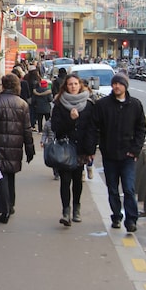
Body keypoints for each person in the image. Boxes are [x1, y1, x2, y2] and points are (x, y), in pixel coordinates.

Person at [88, 72, 146, 233]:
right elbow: (95, 128)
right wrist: (93, 149)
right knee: (112, 188)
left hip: (128, 155)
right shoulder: (103, 105)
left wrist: (135, 150)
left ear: (125, 86)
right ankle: (116, 215)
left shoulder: (135, 105)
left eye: (120, 84)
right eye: (114, 84)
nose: (116, 86)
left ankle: (131, 219)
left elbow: (141, 128)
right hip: (110, 154)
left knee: (128, 188)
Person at [0, 73, 35, 224]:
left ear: (3, 85)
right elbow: (27, 129)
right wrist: (30, 149)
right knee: (10, 176)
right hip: (15, 147)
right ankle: (11, 204)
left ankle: (5, 210)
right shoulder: (23, 104)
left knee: (0, 177)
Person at [50, 74, 95, 226]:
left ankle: (76, 208)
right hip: (65, 148)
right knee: (65, 180)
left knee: (77, 180)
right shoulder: (60, 104)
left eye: (76, 84)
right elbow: (56, 127)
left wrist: (90, 149)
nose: (73, 86)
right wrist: (70, 120)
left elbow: (92, 128)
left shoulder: (88, 104)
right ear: (66, 86)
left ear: (80, 85)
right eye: (70, 84)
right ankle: (66, 211)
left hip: (81, 148)